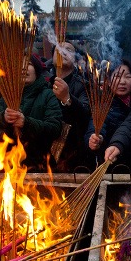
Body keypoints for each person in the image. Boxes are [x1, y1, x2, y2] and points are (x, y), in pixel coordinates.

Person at [0, 54, 62, 171]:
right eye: (19, 65)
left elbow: (55, 128)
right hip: (8, 165)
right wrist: (3, 118)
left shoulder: (48, 94)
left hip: (40, 165)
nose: (23, 68)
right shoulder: (8, 96)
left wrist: (26, 123)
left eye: (28, 64)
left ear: (37, 70)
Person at [84, 59, 131, 169]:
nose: (122, 81)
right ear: (108, 81)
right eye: (117, 76)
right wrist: (93, 139)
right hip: (111, 164)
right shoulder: (102, 102)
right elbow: (95, 126)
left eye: (127, 77)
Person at [49, 41, 91, 172]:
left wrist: (67, 98)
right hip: (47, 154)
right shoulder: (46, 85)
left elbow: (86, 114)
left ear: (75, 59)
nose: (62, 52)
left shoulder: (84, 85)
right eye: (58, 49)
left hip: (74, 155)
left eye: (68, 50)